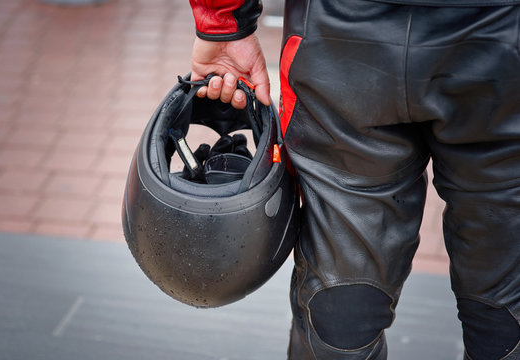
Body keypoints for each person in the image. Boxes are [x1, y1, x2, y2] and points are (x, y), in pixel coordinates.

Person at [187, 0, 520, 358]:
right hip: (503, 36)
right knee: (505, 314)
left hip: (342, 36)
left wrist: (223, 22)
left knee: (339, 308)